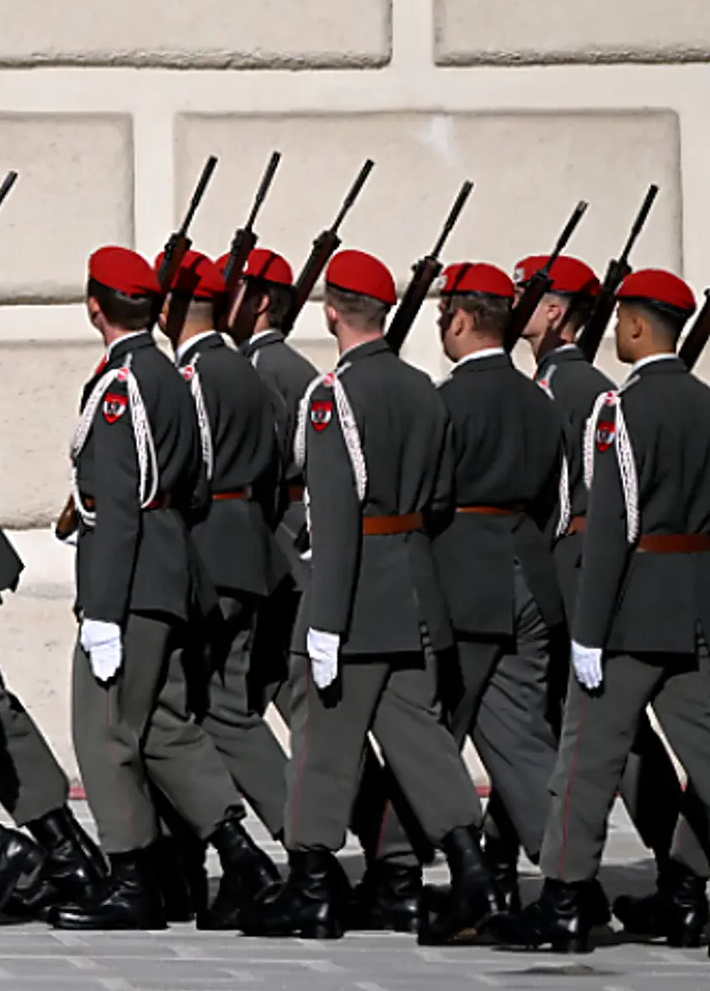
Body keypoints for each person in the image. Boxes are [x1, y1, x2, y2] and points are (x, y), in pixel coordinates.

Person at [239, 249, 500, 944]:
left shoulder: (332, 395)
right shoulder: (423, 388)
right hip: (415, 591)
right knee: (419, 742)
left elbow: (334, 514)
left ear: (330, 311)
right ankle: (472, 874)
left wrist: (324, 621)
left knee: (323, 743)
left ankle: (312, 886)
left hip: (352, 597)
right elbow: (440, 500)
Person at [51, 246, 267, 931]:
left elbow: (116, 506)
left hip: (133, 580)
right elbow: (197, 482)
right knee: (168, 727)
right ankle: (243, 858)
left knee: (105, 731)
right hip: (172, 568)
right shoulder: (173, 374)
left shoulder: (122, 385)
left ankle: (134, 877)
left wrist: (104, 612)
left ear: (94, 306)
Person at [499, 268, 710, 953]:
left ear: (640, 327)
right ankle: (684, 896)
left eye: (622, 321)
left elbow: (614, 524)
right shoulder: (707, 404)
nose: (614, 332)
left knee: (586, 762)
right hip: (697, 607)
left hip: (630, 613)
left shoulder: (621, 409)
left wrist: (588, 632)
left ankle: (562, 903)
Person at [427, 261, 565, 914]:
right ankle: (572, 871)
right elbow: (554, 499)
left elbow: (427, 500)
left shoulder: (445, 401)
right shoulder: (539, 397)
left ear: (460, 318)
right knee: (521, 735)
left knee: (428, 732)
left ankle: (410, 872)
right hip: (530, 572)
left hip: (466, 581)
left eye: (442, 314)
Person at [167, 252, 289, 924]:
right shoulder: (248, 369)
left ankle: (289, 841)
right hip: (254, 545)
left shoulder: (191, 376)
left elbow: (191, 469)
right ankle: (297, 839)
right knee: (231, 705)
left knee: (203, 709)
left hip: (211, 547)